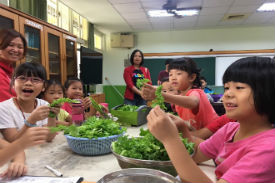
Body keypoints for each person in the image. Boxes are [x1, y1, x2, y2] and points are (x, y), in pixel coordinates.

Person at [147, 56, 275, 183]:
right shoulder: (230, 130)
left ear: (267, 94)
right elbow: (197, 154)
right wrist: (182, 128)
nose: (227, 94)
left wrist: (170, 139)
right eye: (226, 87)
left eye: (239, 87)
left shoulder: (269, 148)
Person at [142, 57, 218, 130]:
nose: (173, 78)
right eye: (170, 74)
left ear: (191, 77)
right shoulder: (179, 98)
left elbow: (193, 102)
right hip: (198, 134)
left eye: (178, 73)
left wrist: (160, 95)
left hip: (214, 135)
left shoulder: (196, 92)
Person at [0, 62, 58, 142]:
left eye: (35, 79)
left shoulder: (44, 105)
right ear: (13, 83)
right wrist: (31, 121)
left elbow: (49, 138)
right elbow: (13, 141)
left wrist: (52, 117)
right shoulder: (3, 108)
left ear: (44, 86)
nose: (28, 83)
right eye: (22, 78)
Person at [0, 29, 27, 102]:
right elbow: (9, 105)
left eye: (20, 47)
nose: (15, 50)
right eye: (11, 45)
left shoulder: (12, 71)